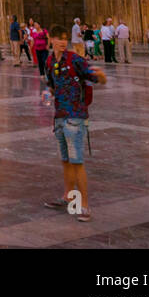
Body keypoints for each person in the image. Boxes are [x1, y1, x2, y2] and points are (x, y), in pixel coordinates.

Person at [43, 23, 106, 222]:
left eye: (65, 39)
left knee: (77, 161)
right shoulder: (49, 62)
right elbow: (52, 86)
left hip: (76, 116)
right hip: (60, 116)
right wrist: (47, 93)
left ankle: (85, 205)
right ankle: (68, 195)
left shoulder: (76, 60)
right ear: (51, 40)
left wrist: (101, 76)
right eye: (59, 38)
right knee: (65, 160)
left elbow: (96, 78)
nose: (63, 42)